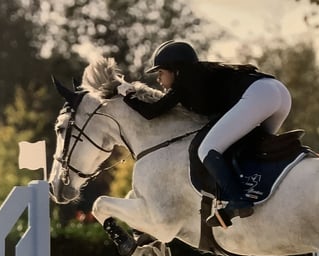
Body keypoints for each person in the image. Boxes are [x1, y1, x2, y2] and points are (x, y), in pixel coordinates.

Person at [118, 40, 292, 227]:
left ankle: (238, 200)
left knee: (207, 149)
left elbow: (151, 113)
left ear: (176, 70)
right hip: (279, 93)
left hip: (260, 95)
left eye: (161, 73)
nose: (158, 79)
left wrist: (128, 96)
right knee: (246, 147)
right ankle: (259, 189)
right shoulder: (201, 75)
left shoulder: (184, 83)